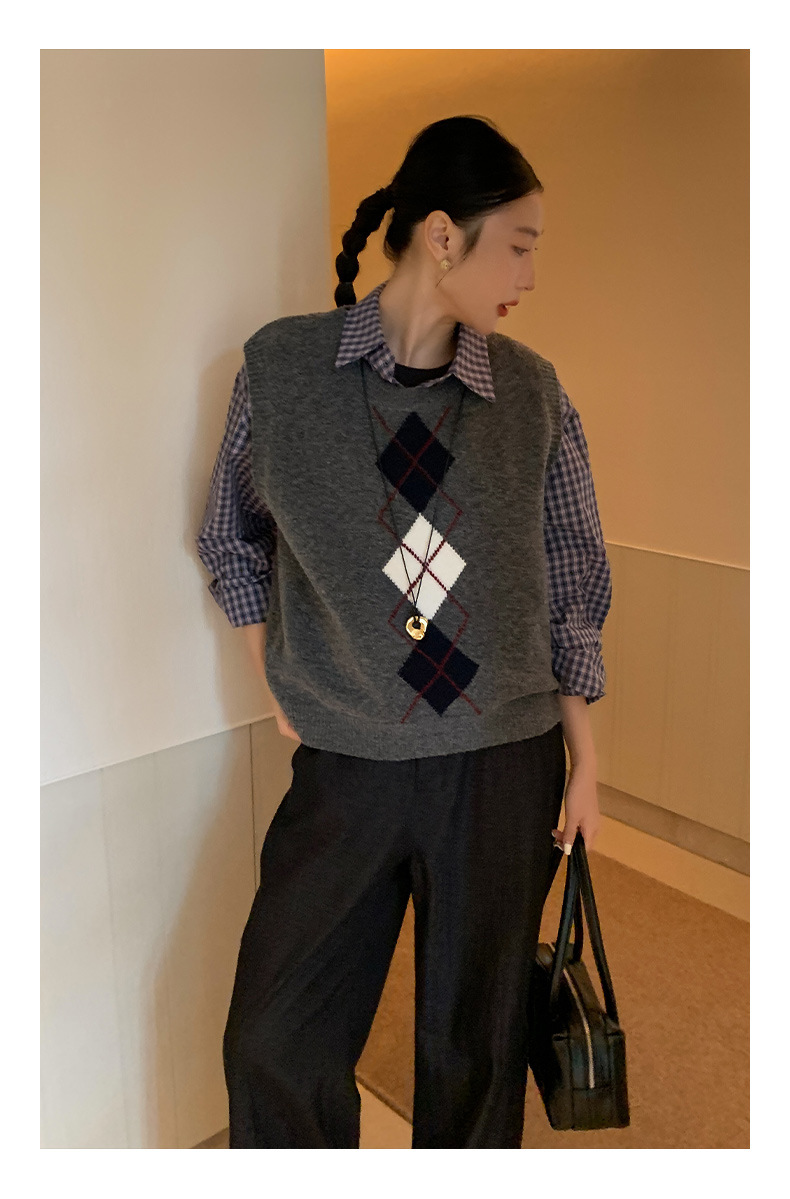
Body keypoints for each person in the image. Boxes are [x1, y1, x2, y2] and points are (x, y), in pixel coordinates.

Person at [195, 114, 612, 1148]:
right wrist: (274, 681)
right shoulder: (282, 372)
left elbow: (572, 574)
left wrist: (587, 758)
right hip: (348, 761)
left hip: (502, 762)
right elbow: (231, 536)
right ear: (441, 234)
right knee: (273, 1037)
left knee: (475, 1046)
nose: (530, 275)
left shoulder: (532, 393)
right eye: (518, 244)